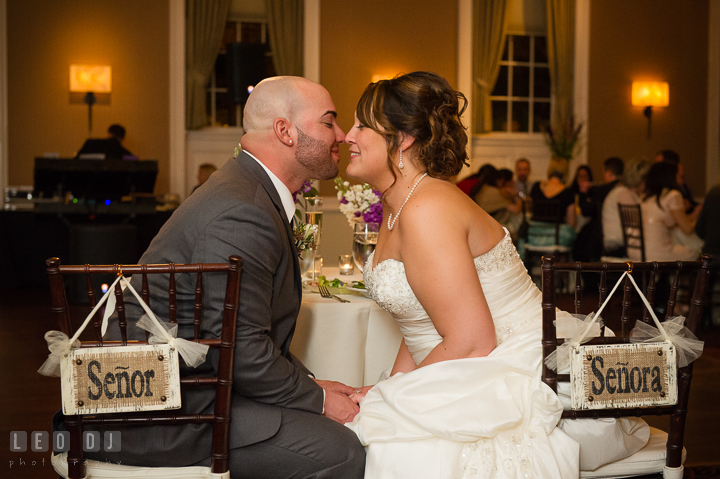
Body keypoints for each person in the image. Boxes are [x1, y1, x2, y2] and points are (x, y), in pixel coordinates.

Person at [342, 71, 649, 478]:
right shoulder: (400, 203)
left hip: (520, 367)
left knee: (409, 450)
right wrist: (388, 386)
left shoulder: (427, 209)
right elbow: (419, 317)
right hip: (468, 355)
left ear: (403, 140)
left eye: (362, 124)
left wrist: (391, 395)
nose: (348, 135)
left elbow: (472, 339)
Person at [56, 76, 366, 478]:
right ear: (285, 132)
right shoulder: (244, 211)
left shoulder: (246, 190)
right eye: (329, 121)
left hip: (195, 388)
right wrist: (321, 400)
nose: (340, 135)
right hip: (157, 411)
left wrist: (313, 385)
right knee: (343, 451)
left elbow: (240, 337)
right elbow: (242, 350)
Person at [638, 161, 702, 262]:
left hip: (638, 252)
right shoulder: (672, 195)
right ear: (671, 176)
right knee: (698, 251)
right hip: (657, 253)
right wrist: (701, 219)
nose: (682, 180)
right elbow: (687, 229)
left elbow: (668, 221)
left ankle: (670, 278)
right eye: (680, 176)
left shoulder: (644, 197)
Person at [573, 158, 624, 263]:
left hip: (604, 236)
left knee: (580, 244)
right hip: (622, 234)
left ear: (608, 173)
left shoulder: (603, 190)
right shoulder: (625, 189)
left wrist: (583, 192)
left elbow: (586, 211)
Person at [602, 158, 650, 257]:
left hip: (621, 246)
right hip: (618, 248)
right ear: (641, 179)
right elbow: (637, 223)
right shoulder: (624, 193)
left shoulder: (623, 192)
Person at [655, 149, 698, 215]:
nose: (655, 168)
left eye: (658, 164)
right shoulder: (654, 188)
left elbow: (689, 203)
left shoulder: (682, 188)